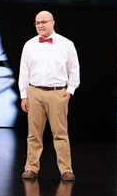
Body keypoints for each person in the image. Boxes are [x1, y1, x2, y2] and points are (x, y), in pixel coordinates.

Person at [19, 10, 80, 182]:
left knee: (60, 133)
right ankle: (31, 167)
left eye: (43, 22)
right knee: (34, 134)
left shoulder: (66, 44)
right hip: (35, 92)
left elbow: (74, 69)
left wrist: (70, 91)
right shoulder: (29, 45)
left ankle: (66, 170)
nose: (40, 25)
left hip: (57, 93)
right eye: (37, 23)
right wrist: (24, 95)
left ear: (53, 22)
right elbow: (24, 71)